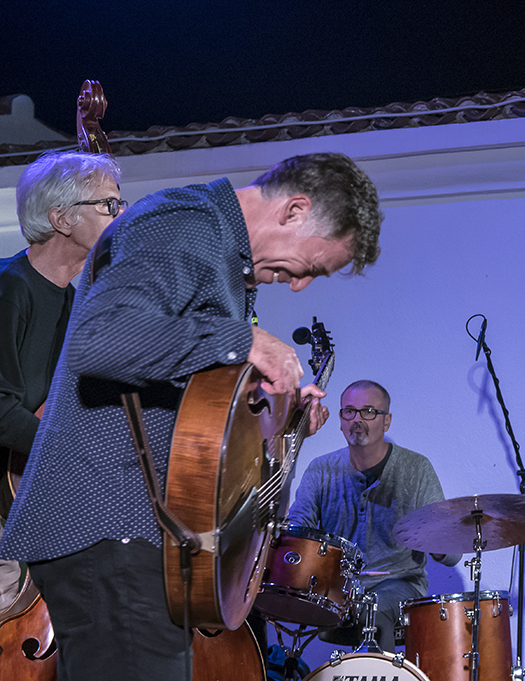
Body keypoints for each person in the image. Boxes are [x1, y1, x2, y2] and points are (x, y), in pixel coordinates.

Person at [0, 151, 383, 680]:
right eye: (313, 267)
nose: (299, 286)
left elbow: (190, 405)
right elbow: (102, 340)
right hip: (107, 527)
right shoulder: (185, 222)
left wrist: (281, 416)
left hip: (137, 538)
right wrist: (243, 339)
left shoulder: (220, 255)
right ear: (295, 211)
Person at [0, 150, 123, 612]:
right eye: (109, 205)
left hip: (25, 501)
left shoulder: (74, 302)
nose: (121, 214)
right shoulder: (10, 289)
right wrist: (72, 453)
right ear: (61, 218)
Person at [287, 379, 461, 653]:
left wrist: (431, 537)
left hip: (400, 585)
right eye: (349, 412)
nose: (357, 420)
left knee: (374, 609)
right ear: (341, 419)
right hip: (339, 591)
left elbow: (451, 554)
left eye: (369, 411)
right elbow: (298, 531)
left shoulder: (415, 468)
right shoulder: (321, 469)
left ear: (386, 421)